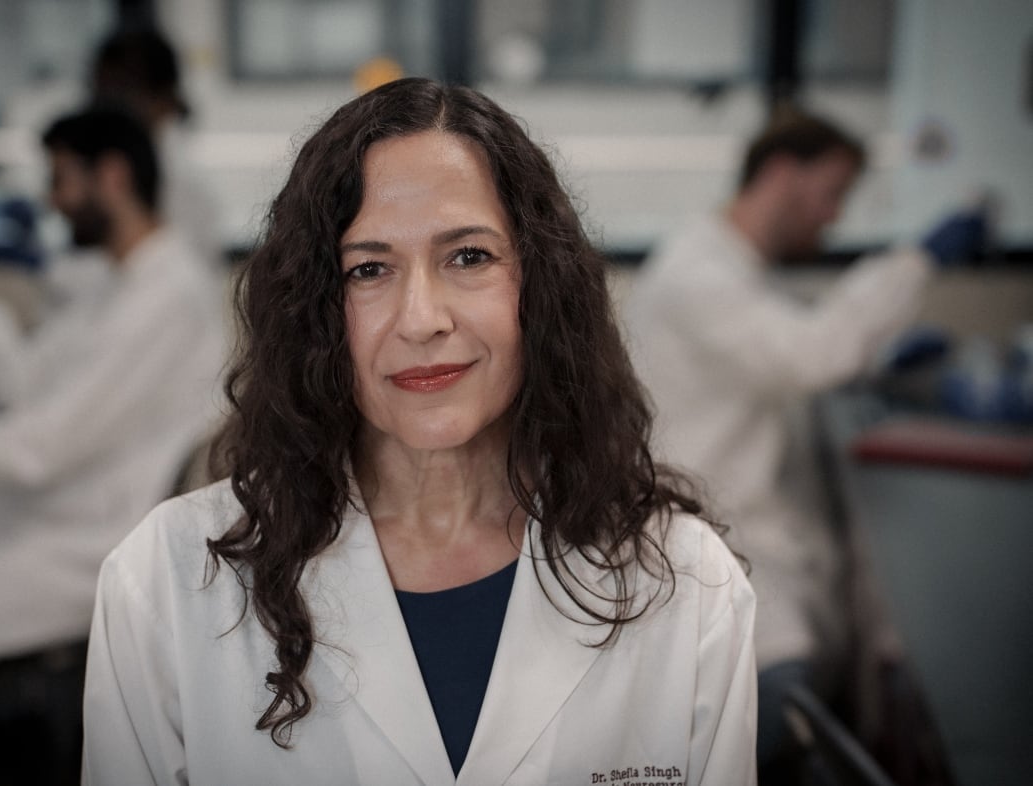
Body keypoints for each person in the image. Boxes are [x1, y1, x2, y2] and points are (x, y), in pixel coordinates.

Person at [81, 78, 756, 784]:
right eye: (368, 269)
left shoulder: (688, 585)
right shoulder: (162, 582)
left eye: (469, 257)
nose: (421, 318)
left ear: (541, 286)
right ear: (316, 312)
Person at [617, 108, 986, 778]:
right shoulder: (697, 275)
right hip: (729, 562)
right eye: (832, 192)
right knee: (778, 730)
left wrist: (885, 358)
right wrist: (919, 260)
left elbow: (780, 349)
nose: (833, 217)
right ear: (783, 173)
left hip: (750, 554)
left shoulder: (734, 270)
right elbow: (809, 352)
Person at [0, 105, 227, 690]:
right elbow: (26, 384)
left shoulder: (166, 296)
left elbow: (37, 448)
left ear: (112, 176)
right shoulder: (119, 280)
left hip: (95, 541)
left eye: (61, 180)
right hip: (62, 509)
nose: (53, 203)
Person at [88, 24, 224, 269]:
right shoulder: (111, 169)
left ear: (163, 99)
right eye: (102, 96)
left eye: (120, 94)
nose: (107, 111)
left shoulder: (184, 187)